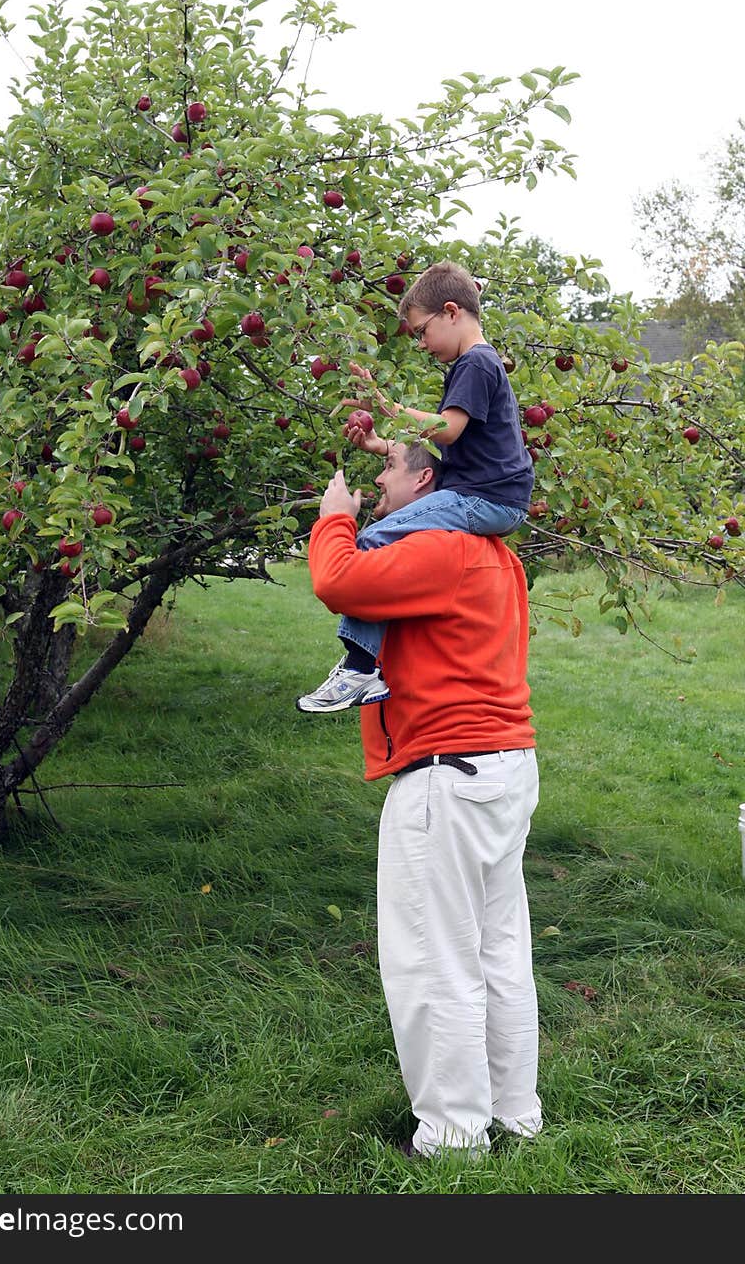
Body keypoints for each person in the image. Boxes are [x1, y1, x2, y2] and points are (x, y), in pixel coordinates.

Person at [308, 449, 542, 1158]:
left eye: (391, 470)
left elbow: (338, 581)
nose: (379, 483)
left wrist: (332, 521)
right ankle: (513, 1116)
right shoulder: (496, 555)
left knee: (432, 962)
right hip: (503, 765)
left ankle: (451, 1137)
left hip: (448, 775)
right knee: (497, 952)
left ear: (429, 480)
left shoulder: (441, 549)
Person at [296, 260, 534, 714]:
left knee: (373, 540)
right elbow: (447, 455)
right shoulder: (475, 365)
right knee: (386, 540)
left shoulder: (476, 364)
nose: (422, 343)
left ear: (451, 312)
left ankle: (360, 668)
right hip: (486, 495)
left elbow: (445, 430)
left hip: (487, 500)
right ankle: (363, 667)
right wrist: (380, 444)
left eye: (422, 331)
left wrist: (385, 405)